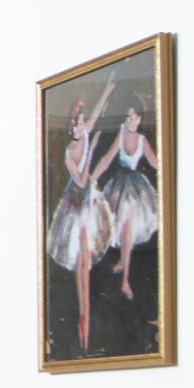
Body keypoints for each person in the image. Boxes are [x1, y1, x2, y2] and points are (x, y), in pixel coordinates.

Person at [47, 82, 115, 349]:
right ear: (71, 125)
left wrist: (107, 91)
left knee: (86, 262)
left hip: (88, 201)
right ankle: (82, 319)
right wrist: (92, 149)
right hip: (74, 205)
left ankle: (87, 319)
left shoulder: (85, 131)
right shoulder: (68, 154)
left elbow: (96, 114)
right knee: (79, 263)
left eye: (83, 122)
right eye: (78, 123)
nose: (82, 126)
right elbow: (83, 179)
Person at [97, 104, 161, 300]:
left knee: (128, 225)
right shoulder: (122, 133)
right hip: (119, 184)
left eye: (133, 118)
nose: (129, 121)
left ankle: (125, 278)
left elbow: (155, 162)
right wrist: (93, 179)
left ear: (139, 120)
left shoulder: (142, 140)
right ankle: (124, 268)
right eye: (127, 117)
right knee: (124, 225)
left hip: (136, 186)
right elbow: (107, 159)